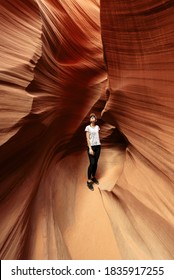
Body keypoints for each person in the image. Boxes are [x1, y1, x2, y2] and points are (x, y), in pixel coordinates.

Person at [85, 113, 101, 191]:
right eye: (91, 117)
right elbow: (87, 138)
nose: (92, 117)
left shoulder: (98, 127)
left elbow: (97, 137)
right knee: (92, 163)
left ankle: (93, 177)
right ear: (90, 119)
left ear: (96, 119)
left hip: (98, 146)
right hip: (91, 147)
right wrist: (90, 148)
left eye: (93, 117)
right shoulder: (87, 127)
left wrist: (98, 144)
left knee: (96, 162)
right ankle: (88, 181)